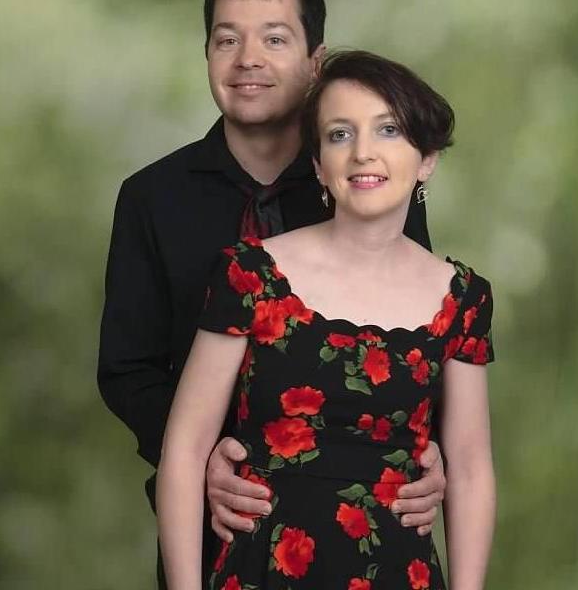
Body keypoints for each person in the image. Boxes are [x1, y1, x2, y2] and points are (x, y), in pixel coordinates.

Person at [98, 0, 446, 588]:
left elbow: (423, 342)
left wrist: (433, 452)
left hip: (363, 516)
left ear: (316, 61)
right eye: (226, 40)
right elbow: (127, 368)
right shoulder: (152, 197)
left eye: (275, 39)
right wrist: (203, 456)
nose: (247, 60)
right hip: (217, 514)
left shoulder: (368, 183)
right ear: (206, 54)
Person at [157, 50, 496, 589]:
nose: (363, 152)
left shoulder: (463, 299)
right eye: (340, 134)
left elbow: (472, 467)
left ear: (427, 158)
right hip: (261, 572)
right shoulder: (250, 273)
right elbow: (185, 449)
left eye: (388, 130)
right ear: (318, 164)